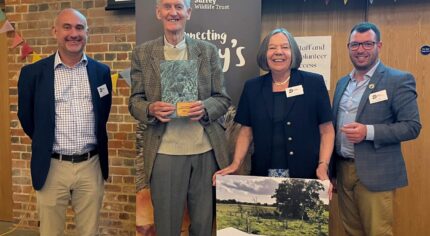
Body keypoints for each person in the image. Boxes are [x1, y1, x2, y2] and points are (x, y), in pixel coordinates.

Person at [128, 0, 231, 235]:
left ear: (188, 13)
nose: (173, 12)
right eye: (167, 6)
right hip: (164, 152)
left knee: (204, 225)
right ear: (158, 13)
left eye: (179, 6)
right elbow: (134, 102)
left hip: (205, 151)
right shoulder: (143, 53)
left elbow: (223, 99)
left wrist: (205, 107)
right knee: (166, 226)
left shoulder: (207, 51)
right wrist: (151, 108)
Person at [17, 8, 112, 236]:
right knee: (50, 232)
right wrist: (45, 140)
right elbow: (27, 118)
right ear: (55, 31)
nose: (73, 34)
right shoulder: (32, 74)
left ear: (87, 32)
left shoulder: (101, 72)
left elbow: (103, 113)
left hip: (91, 165)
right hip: (51, 166)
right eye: (67, 27)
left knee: (89, 232)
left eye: (79, 27)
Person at [332, 22, 421, 236]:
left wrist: (368, 132)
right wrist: (332, 170)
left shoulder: (398, 80)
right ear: (348, 47)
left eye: (367, 44)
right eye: (355, 45)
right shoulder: (342, 83)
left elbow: (412, 126)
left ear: (378, 45)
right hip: (344, 171)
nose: (360, 50)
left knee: (378, 232)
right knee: (351, 232)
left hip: (376, 173)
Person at [214, 28, 334, 181]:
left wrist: (323, 166)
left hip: (307, 174)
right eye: (272, 48)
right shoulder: (252, 87)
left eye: (285, 47)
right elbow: (246, 132)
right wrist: (236, 164)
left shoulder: (313, 83)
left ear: (294, 52)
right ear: (265, 54)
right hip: (263, 173)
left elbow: (327, 132)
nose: (278, 52)